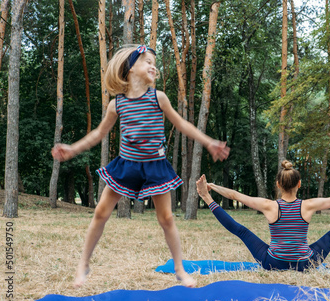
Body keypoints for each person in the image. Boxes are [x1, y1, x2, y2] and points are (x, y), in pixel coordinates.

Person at [51, 45, 230, 288]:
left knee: (166, 218)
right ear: (131, 68)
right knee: (101, 213)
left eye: (154, 62)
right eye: (147, 61)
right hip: (126, 167)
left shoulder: (158, 97)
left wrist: (209, 142)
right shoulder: (117, 104)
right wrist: (73, 148)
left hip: (155, 168)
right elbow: (98, 134)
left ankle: (179, 269)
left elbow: (182, 124)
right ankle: (83, 263)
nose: (153, 65)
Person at [195, 161, 330, 271]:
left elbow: (235, 195)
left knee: (242, 231)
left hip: (272, 262)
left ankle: (206, 198)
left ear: (278, 185)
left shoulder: (269, 206)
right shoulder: (308, 205)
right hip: (306, 263)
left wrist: (209, 190)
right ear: (299, 184)